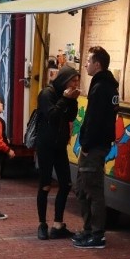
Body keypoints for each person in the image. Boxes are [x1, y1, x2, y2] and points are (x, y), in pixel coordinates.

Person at [72, 46, 119, 249]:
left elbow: (95, 120)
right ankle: (88, 229)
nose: (85, 65)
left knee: (93, 189)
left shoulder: (101, 88)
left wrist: (86, 144)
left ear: (97, 64)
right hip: (96, 144)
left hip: (94, 147)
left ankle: (97, 234)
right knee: (83, 187)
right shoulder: (104, 85)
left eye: (88, 61)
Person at [35, 64, 81, 240]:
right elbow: (52, 115)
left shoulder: (67, 94)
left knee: (66, 184)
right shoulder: (47, 94)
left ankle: (58, 224)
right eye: (73, 80)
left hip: (60, 145)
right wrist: (64, 99)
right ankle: (42, 224)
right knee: (45, 185)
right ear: (64, 80)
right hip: (45, 145)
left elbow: (69, 117)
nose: (75, 84)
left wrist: (73, 100)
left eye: (77, 81)